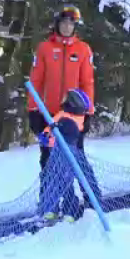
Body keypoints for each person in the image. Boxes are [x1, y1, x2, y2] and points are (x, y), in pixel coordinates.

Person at [27, 4, 101, 215]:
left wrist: (88, 112)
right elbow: (36, 81)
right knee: (48, 161)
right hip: (48, 115)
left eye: (71, 24)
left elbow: (87, 82)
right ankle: (49, 206)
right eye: (64, 23)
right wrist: (33, 111)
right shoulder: (45, 49)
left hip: (73, 117)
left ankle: (89, 202)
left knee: (74, 160)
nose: (67, 27)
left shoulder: (83, 50)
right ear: (57, 24)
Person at [35, 89, 94, 222]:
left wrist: (47, 139)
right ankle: (52, 209)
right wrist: (45, 135)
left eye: (66, 98)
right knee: (53, 181)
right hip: (55, 155)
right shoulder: (66, 115)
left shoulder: (69, 119)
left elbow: (60, 137)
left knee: (64, 183)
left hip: (65, 155)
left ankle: (69, 211)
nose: (63, 100)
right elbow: (51, 127)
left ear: (72, 102)